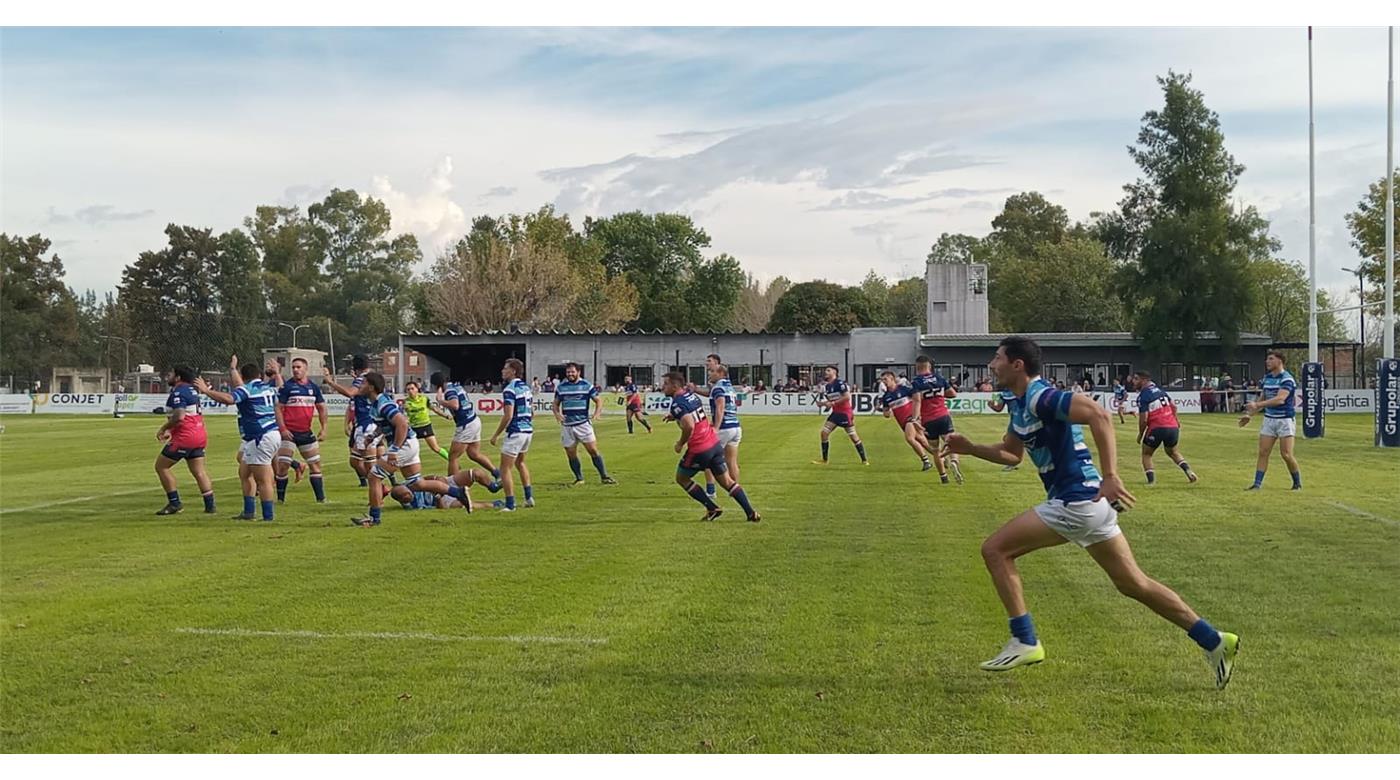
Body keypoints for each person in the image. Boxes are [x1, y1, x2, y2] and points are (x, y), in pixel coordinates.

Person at [942, 336, 1239, 688]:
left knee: (995, 550)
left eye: (997, 358)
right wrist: (971, 448)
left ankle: (1024, 639)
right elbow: (1012, 453)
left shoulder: (1041, 396)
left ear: (1017, 364)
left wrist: (1111, 475)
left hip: (1077, 502)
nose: (992, 365)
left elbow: (1098, 413)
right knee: (1134, 584)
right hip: (1089, 505)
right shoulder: (1021, 403)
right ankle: (1214, 641)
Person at [350, 371, 466, 527]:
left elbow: (402, 424)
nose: (360, 386)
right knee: (417, 484)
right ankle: (458, 493)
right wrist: (373, 436)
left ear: (371, 387)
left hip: (404, 445)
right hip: (410, 443)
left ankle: (374, 518)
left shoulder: (383, 403)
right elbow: (385, 425)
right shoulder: (377, 403)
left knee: (374, 477)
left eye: (363, 383)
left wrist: (394, 449)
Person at [660, 371, 760, 522]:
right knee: (727, 482)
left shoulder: (677, 403)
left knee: (682, 478)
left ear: (675, 386)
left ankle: (712, 507)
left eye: (666, 384)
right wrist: (674, 415)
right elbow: (693, 412)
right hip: (713, 443)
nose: (663, 387)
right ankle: (751, 513)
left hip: (699, 449)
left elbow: (689, 425)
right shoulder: (690, 395)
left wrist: (680, 443)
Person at [194, 355, 281, 522]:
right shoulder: (267, 387)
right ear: (259, 375)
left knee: (263, 480)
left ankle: (268, 517)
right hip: (269, 434)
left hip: (260, 436)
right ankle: (248, 512)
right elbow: (276, 387)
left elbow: (229, 399)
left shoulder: (248, 389)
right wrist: (233, 369)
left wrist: (206, 391)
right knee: (244, 473)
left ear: (243, 377)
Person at [153, 365, 216, 515]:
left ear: (178, 377)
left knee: (161, 467)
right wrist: (171, 431)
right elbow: (188, 415)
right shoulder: (192, 390)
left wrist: (164, 428)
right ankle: (210, 506)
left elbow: (180, 416)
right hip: (199, 435)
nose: (168, 376)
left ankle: (175, 503)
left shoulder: (179, 392)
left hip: (185, 437)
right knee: (199, 471)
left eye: (171, 373)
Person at [1240, 350, 1302, 491]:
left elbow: (1280, 399)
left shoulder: (1287, 379)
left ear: (1280, 361)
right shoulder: (1267, 378)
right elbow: (1263, 398)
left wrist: (1257, 405)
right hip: (1269, 420)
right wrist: (1249, 415)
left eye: (1271, 359)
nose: (1267, 361)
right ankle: (1257, 484)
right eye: (1267, 359)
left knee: (1286, 454)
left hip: (1285, 420)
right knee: (1263, 452)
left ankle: (1297, 483)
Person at [553, 362, 616, 486]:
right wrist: (557, 414)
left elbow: (598, 400)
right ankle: (579, 478)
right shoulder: (561, 387)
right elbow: (555, 403)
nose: (570, 374)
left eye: (572, 372)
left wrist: (597, 413)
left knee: (593, 450)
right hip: (567, 425)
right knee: (571, 453)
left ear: (578, 372)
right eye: (568, 372)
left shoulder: (586, 385)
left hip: (583, 424)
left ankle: (604, 476)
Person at [273, 357, 326, 503]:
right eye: (293, 367)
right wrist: (283, 429)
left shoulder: (313, 388)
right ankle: (280, 500)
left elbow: (321, 408)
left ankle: (321, 500)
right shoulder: (287, 387)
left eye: (298, 367)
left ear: (305, 369)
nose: (295, 370)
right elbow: (278, 409)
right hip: (288, 433)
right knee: (283, 465)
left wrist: (324, 428)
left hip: (305, 432)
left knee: (315, 465)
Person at [431, 372, 499, 483]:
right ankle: (497, 473)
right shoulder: (456, 386)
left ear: (437, 384)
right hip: (474, 420)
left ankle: (452, 486)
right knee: (473, 453)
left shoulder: (449, 391)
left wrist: (440, 401)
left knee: (453, 457)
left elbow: (455, 405)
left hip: (466, 424)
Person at [1133, 370, 1198, 485]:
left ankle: (1151, 482)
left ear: (1144, 380)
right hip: (1172, 427)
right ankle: (1189, 471)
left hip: (1157, 428)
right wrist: (1176, 421)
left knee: (1147, 454)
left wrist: (1140, 434)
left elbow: (1144, 419)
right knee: (1173, 452)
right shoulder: (1161, 391)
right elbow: (1174, 407)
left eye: (1136, 379)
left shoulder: (1143, 396)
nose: (1133, 381)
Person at [323, 355, 377, 488]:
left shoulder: (362, 379)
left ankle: (378, 487)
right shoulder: (372, 377)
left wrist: (330, 382)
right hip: (367, 422)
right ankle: (375, 484)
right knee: (356, 459)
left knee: (368, 460)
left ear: (355, 367)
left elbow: (350, 393)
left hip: (366, 424)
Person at [489, 358, 535, 511]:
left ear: (513, 371)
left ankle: (510, 504)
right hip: (527, 431)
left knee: (504, 469)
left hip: (516, 432)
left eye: (505, 368)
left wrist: (496, 435)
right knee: (520, 463)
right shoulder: (526, 388)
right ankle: (529, 497)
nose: (502, 371)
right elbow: (532, 412)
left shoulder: (510, 389)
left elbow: (508, 415)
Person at [911, 355, 960, 484]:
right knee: (951, 441)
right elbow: (953, 394)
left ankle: (943, 477)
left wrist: (915, 419)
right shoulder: (939, 378)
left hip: (928, 420)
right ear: (929, 366)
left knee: (935, 450)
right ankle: (954, 461)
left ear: (917, 367)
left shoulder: (916, 382)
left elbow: (917, 401)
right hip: (943, 416)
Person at [812, 365, 868, 465]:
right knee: (824, 433)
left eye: (828, 370)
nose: (826, 372)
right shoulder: (827, 386)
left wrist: (832, 403)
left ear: (834, 372)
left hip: (844, 413)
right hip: (835, 413)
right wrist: (823, 404)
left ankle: (864, 460)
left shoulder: (840, 383)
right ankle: (824, 460)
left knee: (853, 436)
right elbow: (831, 401)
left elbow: (847, 397)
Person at [878, 370, 933, 471]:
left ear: (892, 379)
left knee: (910, 438)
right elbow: (886, 414)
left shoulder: (904, 389)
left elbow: (917, 398)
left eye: (885, 379)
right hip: (902, 422)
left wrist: (918, 414)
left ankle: (926, 461)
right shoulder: (886, 397)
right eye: (882, 380)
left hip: (911, 418)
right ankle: (941, 456)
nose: (884, 382)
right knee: (922, 441)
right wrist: (884, 411)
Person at [400, 380, 449, 462]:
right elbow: (402, 416)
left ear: (417, 389)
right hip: (413, 428)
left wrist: (446, 416)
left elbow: (435, 409)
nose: (410, 391)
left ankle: (452, 461)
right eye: (408, 389)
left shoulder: (424, 399)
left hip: (425, 426)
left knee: (435, 448)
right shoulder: (405, 402)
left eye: (412, 388)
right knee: (405, 449)